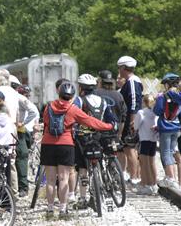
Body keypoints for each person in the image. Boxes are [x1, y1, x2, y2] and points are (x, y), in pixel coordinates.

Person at [41, 82, 115, 219]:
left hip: (48, 144)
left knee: (50, 180)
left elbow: (45, 122)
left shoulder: (48, 107)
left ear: (59, 93)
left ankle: (50, 210)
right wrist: (108, 126)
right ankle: (63, 210)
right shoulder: (73, 109)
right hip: (66, 144)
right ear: (72, 96)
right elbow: (90, 121)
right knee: (63, 178)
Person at [72, 74, 118, 209]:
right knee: (99, 159)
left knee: (82, 169)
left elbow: (72, 116)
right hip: (100, 136)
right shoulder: (103, 101)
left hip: (83, 138)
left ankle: (82, 198)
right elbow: (111, 118)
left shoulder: (79, 101)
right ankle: (103, 178)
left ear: (81, 87)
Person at [154, 73, 181, 190]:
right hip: (177, 127)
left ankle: (170, 178)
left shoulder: (163, 96)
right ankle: (172, 178)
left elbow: (157, 111)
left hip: (165, 127)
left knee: (165, 153)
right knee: (172, 152)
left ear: (167, 84)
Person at [95, 70, 128, 180]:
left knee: (97, 156)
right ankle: (114, 174)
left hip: (99, 130)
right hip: (113, 131)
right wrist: (119, 134)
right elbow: (123, 117)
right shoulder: (118, 95)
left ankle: (100, 178)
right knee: (112, 154)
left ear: (100, 81)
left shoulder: (95, 93)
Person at [10, 75, 39, 197]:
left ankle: (23, 187)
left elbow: (33, 111)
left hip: (19, 130)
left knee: (21, 157)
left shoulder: (18, 98)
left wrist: (23, 123)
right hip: (11, 130)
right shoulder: (9, 96)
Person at [0, 69, 20, 197]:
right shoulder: (15, 93)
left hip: (0, 127)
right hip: (12, 127)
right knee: (11, 160)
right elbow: (18, 112)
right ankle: (13, 191)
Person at [118, 55, 142, 186]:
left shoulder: (132, 82)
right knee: (127, 147)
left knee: (130, 147)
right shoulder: (130, 81)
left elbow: (133, 102)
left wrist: (132, 121)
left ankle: (134, 177)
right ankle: (133, 175)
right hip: (128, 118)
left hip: (131, 118)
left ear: (123, 68)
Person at [134, 94, 159, 195]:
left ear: (144, 102)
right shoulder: (155, 113)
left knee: (144, 164)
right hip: (153, 140)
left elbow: (136, 126)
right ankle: (153, 184)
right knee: (152, 162)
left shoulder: (141, 112)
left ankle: (147, 186)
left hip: (144, 139)